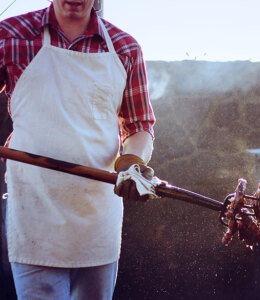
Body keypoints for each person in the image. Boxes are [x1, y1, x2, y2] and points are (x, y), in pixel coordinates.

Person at [0, 0, 157, 299]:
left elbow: (139, 127)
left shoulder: (125, 48)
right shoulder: (10, 35)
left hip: (97, 211)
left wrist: (133, 165)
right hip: (34, 206)